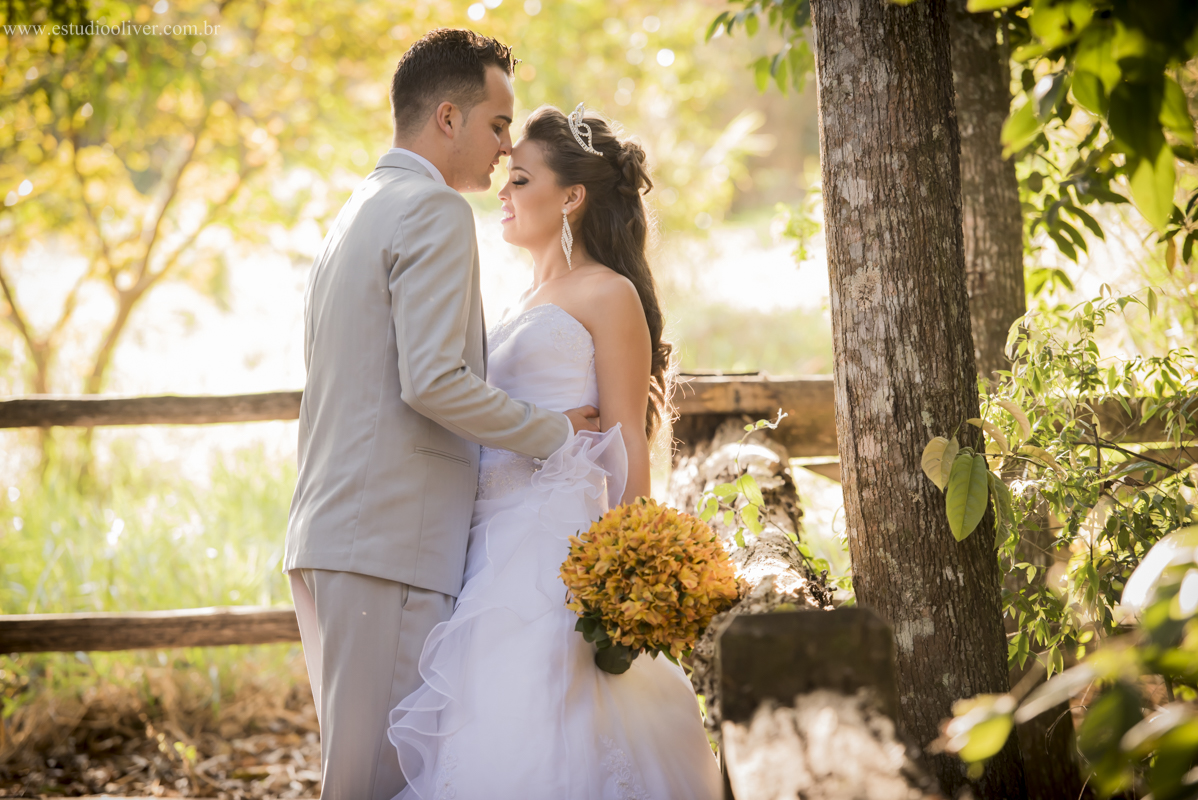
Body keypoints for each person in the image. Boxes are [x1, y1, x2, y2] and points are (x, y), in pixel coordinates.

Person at [282, 29, 600, 800]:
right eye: (498, 125)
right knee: (375, 786)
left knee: (362, 776)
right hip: (388, 542)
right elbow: (434, 382)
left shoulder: (359, 209)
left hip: (336, 536)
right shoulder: (433, 212)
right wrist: (556, 434)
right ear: (448, 118)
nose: (503, 151)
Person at [386, 104, 723, 800]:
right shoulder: (515, 302)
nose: (502, 192)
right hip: (487, 539)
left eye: (519, 179)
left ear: (570, 197)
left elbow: (628, 430)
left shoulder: (608, 292)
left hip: (559, 544)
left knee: (552, 705)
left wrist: (633, 567)